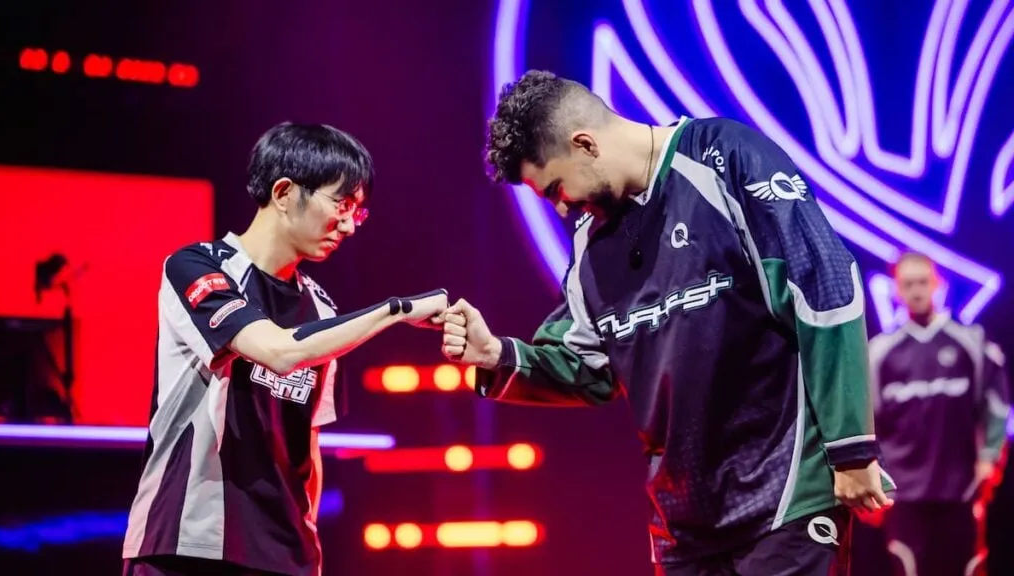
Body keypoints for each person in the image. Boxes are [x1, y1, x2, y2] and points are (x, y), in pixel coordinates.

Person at [441, 70, 895, 575]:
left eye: (555, 189)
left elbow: (822, 284)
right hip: (683, 530)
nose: (563, 208)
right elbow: (586, 365)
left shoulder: (721, 157)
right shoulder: (590, 245)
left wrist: (851, 449)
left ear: (584, 144)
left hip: (785, 499)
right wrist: (495, 354)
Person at [122, 122, 448, 576]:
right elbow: (276, 351)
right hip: (187, 543)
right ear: (283, 192)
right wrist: (397, 311)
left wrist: (309, 550)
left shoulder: (322, 309)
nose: (349, 226)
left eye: (358, 213)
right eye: (342, 204)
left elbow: (308, 445)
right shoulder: (196, 266)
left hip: (286, 557)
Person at [868, 252, 1009, 576]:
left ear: (938, 285)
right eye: (908, 284)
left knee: (968, 567)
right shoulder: (879, 352)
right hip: (904, 491)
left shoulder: (971, 342)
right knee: (906, 566)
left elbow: (996, 404)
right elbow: (869, 421)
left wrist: (990, 457)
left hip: (962, 486)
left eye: (923, 282)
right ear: (896, 291)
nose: (916, 291)